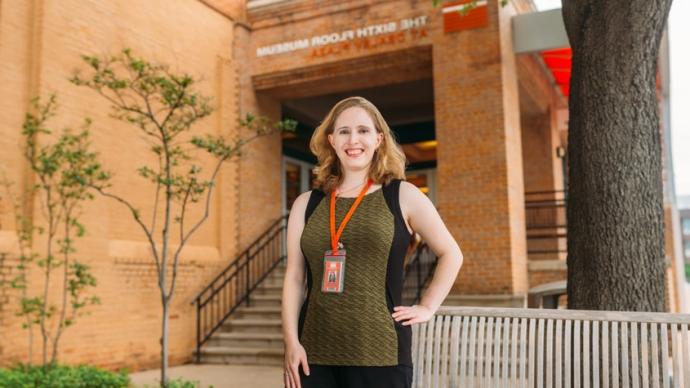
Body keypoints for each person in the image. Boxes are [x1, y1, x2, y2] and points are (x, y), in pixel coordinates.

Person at [281, 96, 463, 388]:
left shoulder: (402, 195)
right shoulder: (306, 204)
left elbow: (451, 253)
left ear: (379, 139)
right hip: (312, 352)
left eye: (363, 130)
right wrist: (291, 342)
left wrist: (428, 306)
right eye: (344, 131)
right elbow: (294, 277)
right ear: (331, 140)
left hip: (381, 353)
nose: (354, 139)